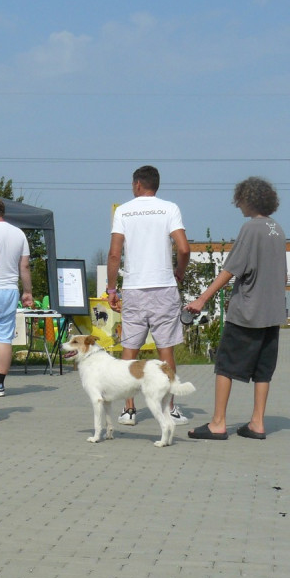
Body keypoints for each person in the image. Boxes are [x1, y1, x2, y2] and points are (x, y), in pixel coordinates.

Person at [185, 177, 287, 440]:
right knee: (264, 370)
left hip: (247, 312)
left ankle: (218, 423)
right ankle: (257, 423)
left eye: (240, 199)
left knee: (226, 366)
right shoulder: (277, 229)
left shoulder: (250, 229)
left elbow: (231, 269)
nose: (238, 205)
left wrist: (202, 299)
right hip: (272, 313)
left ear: (248, 198)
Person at [106, 165, 191, 425]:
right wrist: (179, 271)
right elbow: (184, 248)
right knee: (166, 351)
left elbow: (114, 254)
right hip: (164, 287)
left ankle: (129, 410)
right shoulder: (170, 208)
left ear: (138, 185)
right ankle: (170, 408)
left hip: (134, 288)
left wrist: (111, 289)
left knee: (130, 349)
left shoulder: (123, 211)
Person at [0, 195, 35, 397]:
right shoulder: (18, 233)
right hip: (9, 290)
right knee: (3, 338)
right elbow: (24, 266)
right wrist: (27, 291)